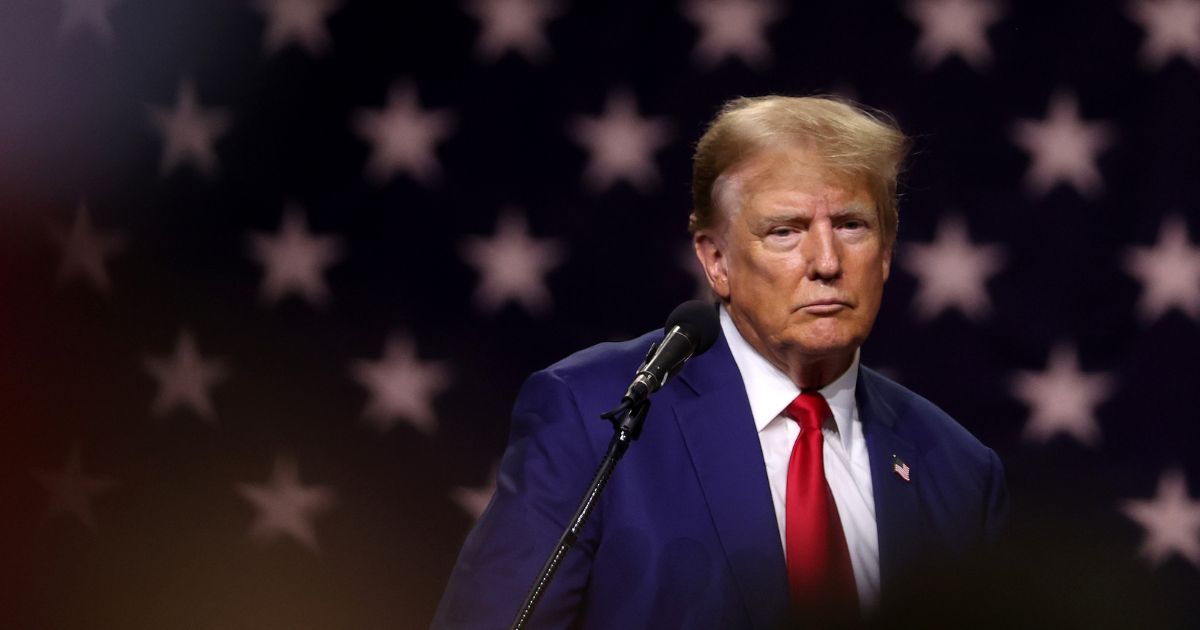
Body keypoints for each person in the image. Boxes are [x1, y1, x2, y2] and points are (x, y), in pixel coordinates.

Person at [432, 95, 1008, 629]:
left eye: (852, 226)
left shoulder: (957, 471)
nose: (827, 262)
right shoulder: (598, 417)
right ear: (716, 261)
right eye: (786, 231)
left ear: (886, 251)